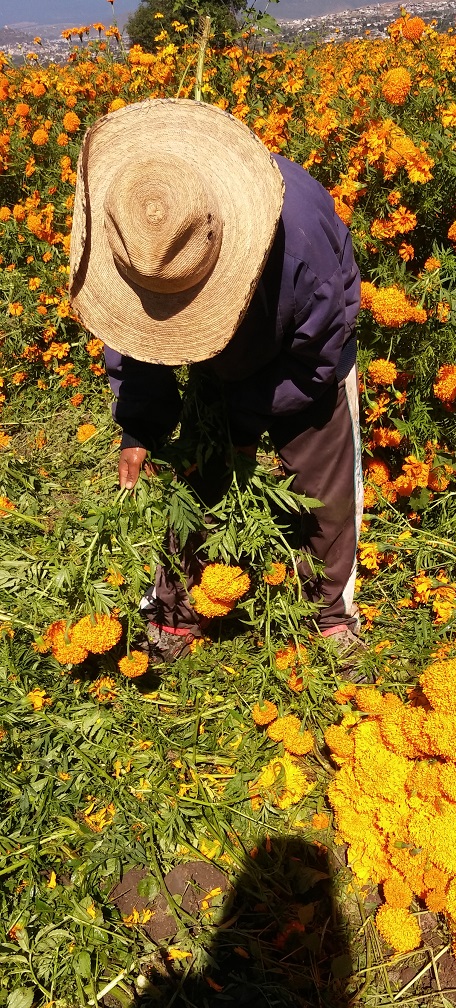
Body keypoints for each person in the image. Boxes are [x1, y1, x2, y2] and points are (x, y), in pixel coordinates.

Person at [69, 97, 363, 663]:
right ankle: (178, 610)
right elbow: (138, 337)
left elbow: (318, 358)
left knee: (324, 486)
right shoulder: (135, 224)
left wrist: (246, 422)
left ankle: (331, 614)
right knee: (193, 484)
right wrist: (139, 425)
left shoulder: (298, 243)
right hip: (222, 361)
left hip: (305, 359)